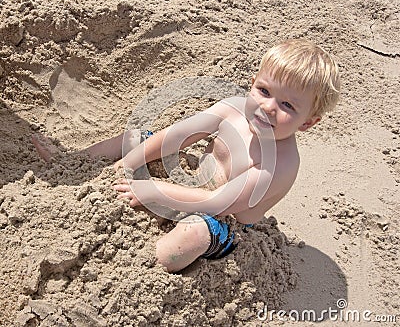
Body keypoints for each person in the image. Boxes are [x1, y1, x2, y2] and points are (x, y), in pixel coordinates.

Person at [33, 39, 340, 272]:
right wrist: (129, 162)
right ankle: (72, 164)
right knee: (137, 139)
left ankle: (144, 268)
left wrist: (154, 189)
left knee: (191, 237)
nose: (269, 107)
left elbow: (217, 202)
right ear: (252, 84)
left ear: (308, 122)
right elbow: (177, 136)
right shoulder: (231, 110)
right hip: (194, 179)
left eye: (288, 106)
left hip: (223, 221)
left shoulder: (281, 164)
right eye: (264, 91)